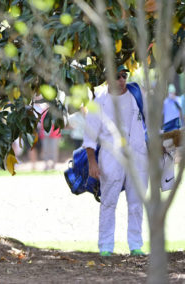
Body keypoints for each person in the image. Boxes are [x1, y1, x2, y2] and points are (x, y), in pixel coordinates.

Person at [83, 65, 148, 257]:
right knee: (109, 202)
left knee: (136, 203)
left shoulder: (136, 95)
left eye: (124, 75)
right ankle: (105, 246)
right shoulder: (100, 101)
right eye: (117, 76)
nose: (121, 79)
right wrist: (92, 162)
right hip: (111, 157)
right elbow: (90, 136)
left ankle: (136, 244)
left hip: (138, 156)